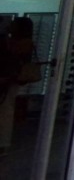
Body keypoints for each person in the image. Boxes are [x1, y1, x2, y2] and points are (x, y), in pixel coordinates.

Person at [0, 17, 35, 155]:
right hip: (9, 79)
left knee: (5, 111)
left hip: (9, 80)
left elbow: (10, 55)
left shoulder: (21, 43)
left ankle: (3, 143)